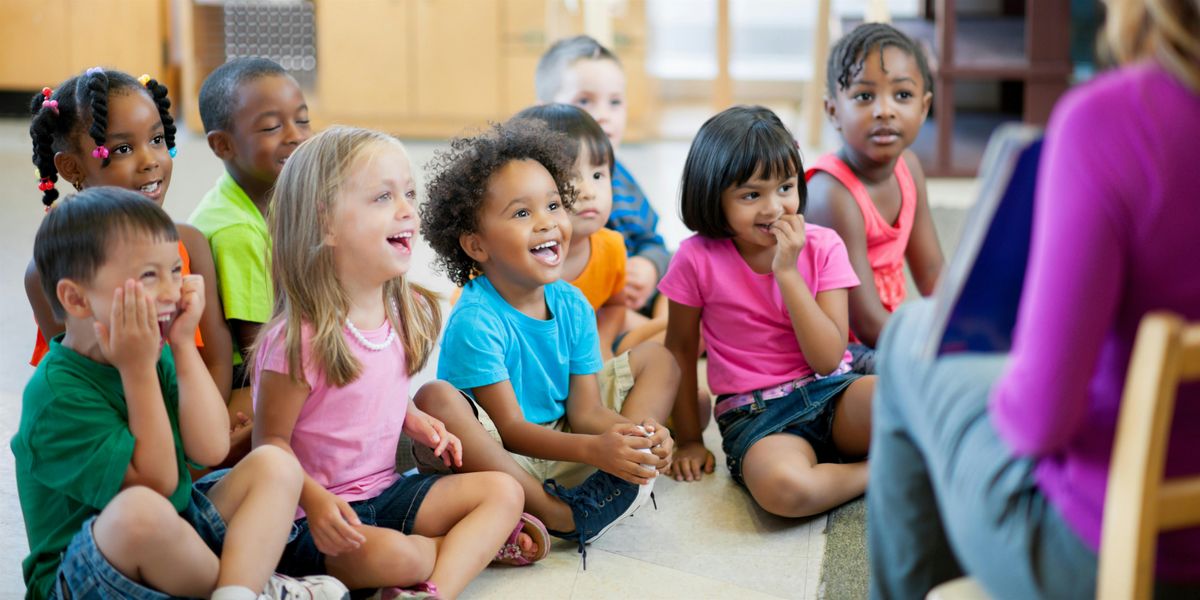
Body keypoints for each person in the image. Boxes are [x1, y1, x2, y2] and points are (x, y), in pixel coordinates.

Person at [867, 1, 1200, 597]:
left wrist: (1030, 354)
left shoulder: (1114, 121)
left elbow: (1040, 421)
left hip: (1112, 551)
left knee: (908, 337)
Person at [252, 127, 546, 599]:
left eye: (408, 193)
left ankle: (430, 591)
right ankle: (454, 551)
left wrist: (417, 420)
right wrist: (317, 502)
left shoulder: (397, 313)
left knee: (503, 492)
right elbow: (268, 447)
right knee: (398, 556)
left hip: (385, 493)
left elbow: (377, 393)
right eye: (383, 197)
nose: (407, 209)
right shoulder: (296, 339)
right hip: (314, 519)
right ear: (325, 223)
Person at [12, 187, 348, 600]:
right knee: (139, 512)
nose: (171, 292)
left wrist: (185, 346)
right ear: (77, 298)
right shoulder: (55, 395)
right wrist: (137, 372)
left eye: (175, 270)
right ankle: (250, 585)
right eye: (149, 276)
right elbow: (154, 486)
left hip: (176, 536)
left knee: (276, 464)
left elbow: (208, 449)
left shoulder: (155, 348)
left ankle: (238, 592)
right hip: (83, 577)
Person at [417, 119, 674, 566]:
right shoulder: (476, 319)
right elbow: (512, 433)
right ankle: (554, 512)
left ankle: (626, 470)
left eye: (554, 205)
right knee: (435, 398)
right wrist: (595, 449)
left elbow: (585, 410)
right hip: (504, 458)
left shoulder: (571, 303)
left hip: (562, 439)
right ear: (476, 245)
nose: (548, 224)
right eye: (522, 213)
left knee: (660, 359)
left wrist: (633, 437)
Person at [660, 106, 875, 520]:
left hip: (831, 389)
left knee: (909, 402)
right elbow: (681, 351)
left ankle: (850, 462)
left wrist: (788, 273)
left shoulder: (824, 244)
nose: (774, 208)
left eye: (785, 188)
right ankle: (877, 471)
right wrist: (689, 438)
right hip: (756, 415)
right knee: (785, 491)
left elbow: (829, 359)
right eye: (751, 195)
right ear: (713, 196)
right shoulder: (694, 259)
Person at [805, 22, 944, 374]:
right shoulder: (832, 193)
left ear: (924, 107)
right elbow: (864, 320)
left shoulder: (908, 167)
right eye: (865, 97)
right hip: (838, 351)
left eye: (902, 95)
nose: (885, 110)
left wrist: (963, 326)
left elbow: (931, 273)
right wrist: (935, 344)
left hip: (882, 332)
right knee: (924, 376)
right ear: (833, 111)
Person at [190, 57, 313, 443]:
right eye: (273, 127)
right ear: (222, 144)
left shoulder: (273, 195)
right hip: (240, 377)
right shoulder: (235, 230)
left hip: (276, 350)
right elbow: (261, 353)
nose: (295, 135)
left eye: (303, 119)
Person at [536, 35, 671, 327]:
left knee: (687, 277)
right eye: (584, 101)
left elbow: (653, 240)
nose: (603, 115)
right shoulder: (540, 188)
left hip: (632, 296)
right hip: (589, 311)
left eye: (615, 102)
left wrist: (649, 266)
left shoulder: (622, 176)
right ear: (545, 111)